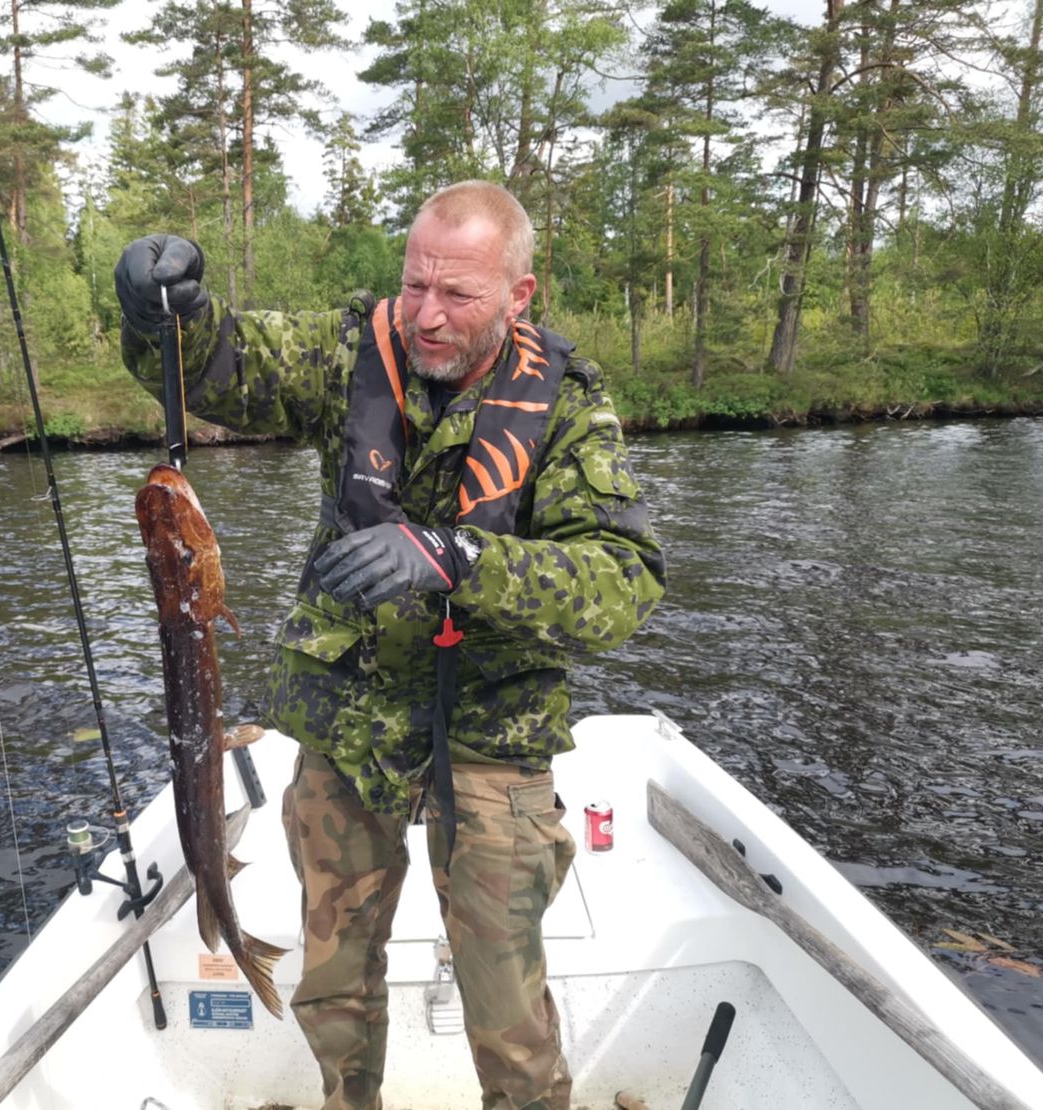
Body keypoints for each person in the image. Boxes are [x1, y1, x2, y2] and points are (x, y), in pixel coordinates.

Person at [115, 181, 665, 1110]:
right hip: (348, 718)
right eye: (415, 286)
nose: (427, 315)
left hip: (492, 725)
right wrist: (165, 312)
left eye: (458, 294)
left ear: (518, 295)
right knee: (333, 982)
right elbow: (220, 368)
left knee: (508, 1007)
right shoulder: (354, 353)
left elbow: (624, 583)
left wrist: (460, 557)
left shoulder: (568, 407)